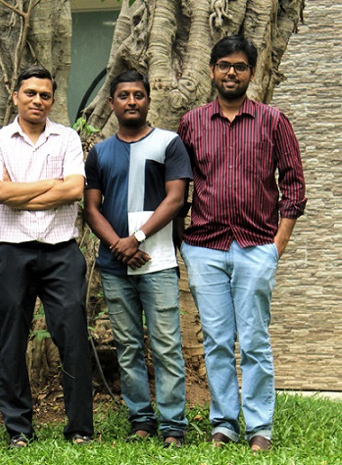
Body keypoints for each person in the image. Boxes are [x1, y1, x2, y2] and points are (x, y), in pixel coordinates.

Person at [177, 35, 307, 452]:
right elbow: (177, 188)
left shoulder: (273, 121)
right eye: (223, 65)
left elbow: (295, 187)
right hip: (205, 248)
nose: (231, 73)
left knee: (253, 340)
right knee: (216, 340)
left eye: (240, 66)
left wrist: (277, 245)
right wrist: (185, 243)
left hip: (256, 246)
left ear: (251, 72)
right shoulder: (191, 123)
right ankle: (223, 424)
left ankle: (259, 427)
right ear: (212, 70)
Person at [0, 65, 94, 447]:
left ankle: (79, 428)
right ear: (15, 95)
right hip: (13, 253)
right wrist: (52, 184)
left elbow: (74, 190)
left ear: (52, 99)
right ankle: (18, 429)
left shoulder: (67, 138)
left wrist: (23, 193)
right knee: (11, 340)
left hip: (62, 252)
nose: (37, 100)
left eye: (45, 95)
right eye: (30, 93)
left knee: (74, 338)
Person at [83, 70, 191, 448]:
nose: (132, 101)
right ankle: (141, 420)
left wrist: (137, 238)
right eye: (124, 95)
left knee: (165, 344)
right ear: (111, 103)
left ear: (148, 100)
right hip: (116, 266)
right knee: (127, 346)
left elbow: (175, 199)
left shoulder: (169, 144)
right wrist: (119, 245)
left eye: (139, 95)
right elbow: (91, 208)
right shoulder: (99, 152)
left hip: (157, 261)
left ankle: (174, 425)